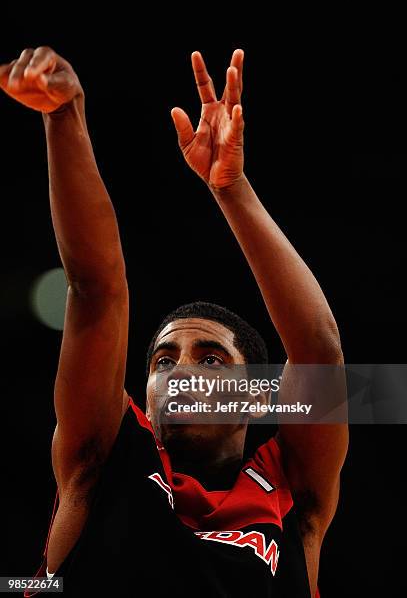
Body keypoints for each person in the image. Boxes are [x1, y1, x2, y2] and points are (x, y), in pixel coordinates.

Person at [0, 46, 348, 597]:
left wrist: (232, 190)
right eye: (164, 361)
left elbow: (319, 351)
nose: (180, 374)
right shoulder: (107, 452)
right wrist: (63, 116)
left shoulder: (291, 493)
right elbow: (95, 290)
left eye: (210, 358)